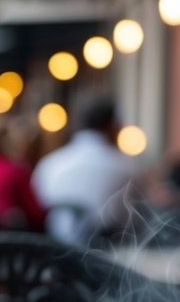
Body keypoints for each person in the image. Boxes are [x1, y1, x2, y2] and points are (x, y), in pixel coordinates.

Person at [31, 94, 146, 244]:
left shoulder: (49, 164)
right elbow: (147, 207)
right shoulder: (129, 166)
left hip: (56, 255)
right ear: (113, 125)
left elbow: (38, 207)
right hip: (112, 259)